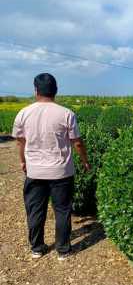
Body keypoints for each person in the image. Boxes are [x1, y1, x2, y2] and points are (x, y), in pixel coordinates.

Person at [12, 73, 90, 260]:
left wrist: (23, 161)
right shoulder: (66, 113)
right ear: (55, 90)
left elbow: (20, 142)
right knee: (62, 210)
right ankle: (63, 250)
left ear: (35, 90)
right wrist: (85, 161)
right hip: (61, 172)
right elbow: (77, 143)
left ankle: (37, 248)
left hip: (35, 171)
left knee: (35, 210)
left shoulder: (24, 113)